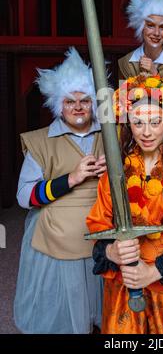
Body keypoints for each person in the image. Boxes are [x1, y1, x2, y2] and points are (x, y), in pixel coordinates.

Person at [86, 74, 163, 334]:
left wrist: (154, 271)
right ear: (128, 123)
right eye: (138, 122)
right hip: (127, 280)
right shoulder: (115, 172)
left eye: (155, 122)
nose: (146, 132)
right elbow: (99, 222)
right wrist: (112, 253)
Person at [14, 47, 106, 334]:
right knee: (65, 311)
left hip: (102, 227)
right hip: (58, 234)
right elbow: (24, 197)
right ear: (58, 104)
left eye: (85, 100)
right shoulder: (40, 141)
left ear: (93, 103)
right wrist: (71, 178)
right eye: (70, 101)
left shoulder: (112, 136)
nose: (78, 107)